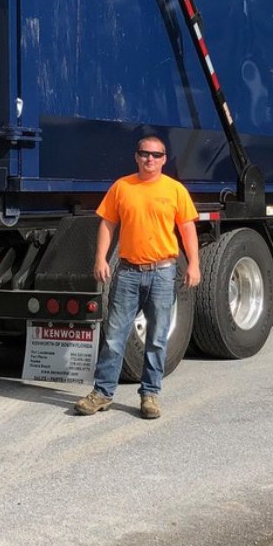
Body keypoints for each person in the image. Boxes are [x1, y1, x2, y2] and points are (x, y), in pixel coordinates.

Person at [74, 134, 200, 419]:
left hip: (163, 272)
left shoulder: (175, 189)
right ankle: (102, 393)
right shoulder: (122, 187)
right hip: (128, 272)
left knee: (156, 338)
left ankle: (150, 395)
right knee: (115, 337)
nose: (150, 159)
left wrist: (194, 264)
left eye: (156, 155)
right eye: (145, 153)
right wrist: (100, 258)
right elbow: (107, 224)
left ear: (164, 159)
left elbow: (188, 228)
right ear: (136, 156)